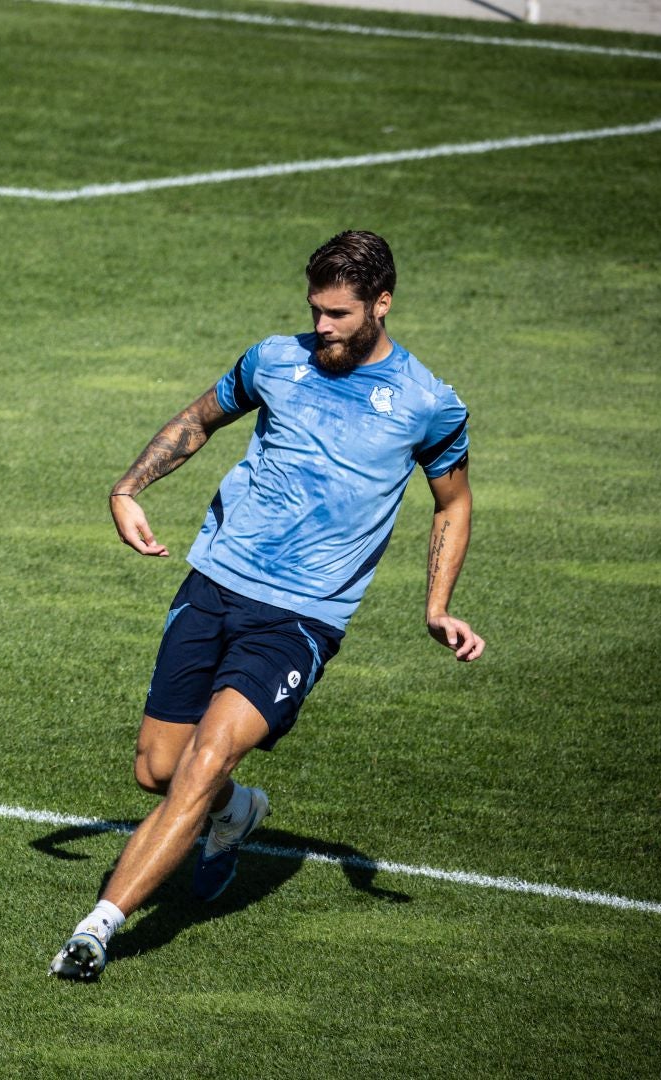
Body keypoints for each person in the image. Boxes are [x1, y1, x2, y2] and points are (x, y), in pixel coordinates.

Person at [49, 231, 482, 979]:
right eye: (316, 310)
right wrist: (127, 488)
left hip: (301, 617)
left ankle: (97, 929)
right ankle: (234, 811)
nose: (323, 327)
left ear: (382, 304)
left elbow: (453, 503)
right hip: (215, 582)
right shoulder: (274, 359)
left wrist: (437, 605)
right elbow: (201, 418)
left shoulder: (427, 405)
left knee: (204, 761)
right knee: (158, 770)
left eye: (341, 314)